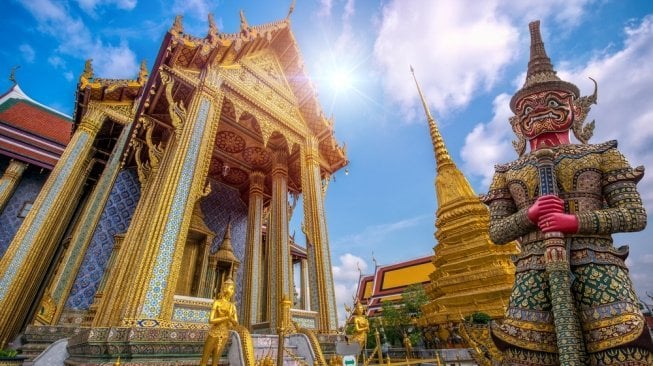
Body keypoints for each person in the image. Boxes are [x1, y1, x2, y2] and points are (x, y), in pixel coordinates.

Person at [484, 21, 652, 365]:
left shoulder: (602, 154)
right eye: (528, 107)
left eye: (552, 101)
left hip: (598, 265)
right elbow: (497, 232)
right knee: (524, 356)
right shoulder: (507, 172)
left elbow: (634, 215)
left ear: (575, 108)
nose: (540, 110)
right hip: (533, 269)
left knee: (622, 353)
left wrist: (572, 220)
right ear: (518, 123)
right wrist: (530, 215)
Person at [200, 277, 238, 366]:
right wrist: (226, 317)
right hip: (213, 333)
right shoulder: (217, 302)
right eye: (231, 288)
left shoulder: (232, 306)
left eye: (233, 289)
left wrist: (230, 318)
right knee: (204, 360)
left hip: (224, 334)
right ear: (225, 288)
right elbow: (211, 320)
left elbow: (236, 323)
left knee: (216, 362)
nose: (233, 291)